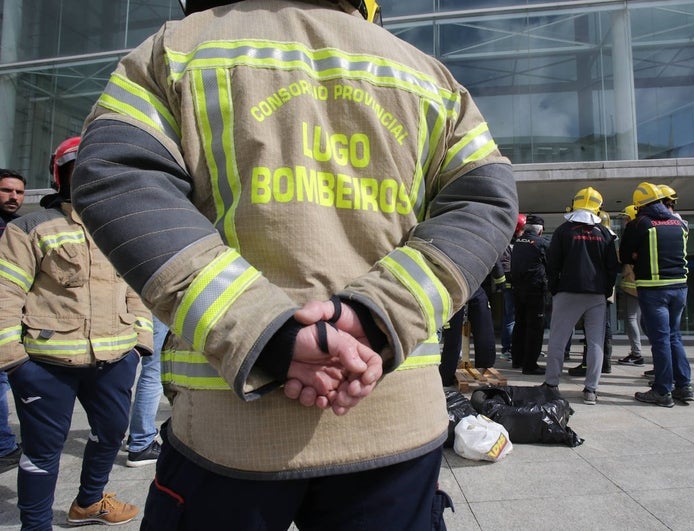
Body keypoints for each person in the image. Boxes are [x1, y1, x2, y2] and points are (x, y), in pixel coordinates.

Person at [70, 1, 518, 529]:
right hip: (392, 421)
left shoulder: (178, 48)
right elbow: (484, 202)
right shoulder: (427, 75)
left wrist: (268, 333)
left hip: (229, 433)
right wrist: (374, 317)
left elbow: (119, 178)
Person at [0, 137, 154, 528]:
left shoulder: (120, 227)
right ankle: (36, 525)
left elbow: (136, 288)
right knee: (42, 453)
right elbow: (5, 293)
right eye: (77, 170)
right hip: (46, 365)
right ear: (61, 176)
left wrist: (139, 344)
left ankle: (88, 502)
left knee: (110, 435)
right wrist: (15, 361)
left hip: (116, 361)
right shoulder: (28, 229)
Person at [542, 187, 618, 405]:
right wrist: (605, 289)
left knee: (558, 338)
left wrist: (555, 288)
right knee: (596, 342)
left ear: (574, 204)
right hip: (595, 294)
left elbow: (552, 263)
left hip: (567, 291)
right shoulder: (604, 233)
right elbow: (612, 267)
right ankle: (591, 390)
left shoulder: (564, 231)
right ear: (598, 207)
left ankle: (551, 384)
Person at [621, 182, 693, 407]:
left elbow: (624, 255)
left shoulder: (640, 224)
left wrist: (636, 255)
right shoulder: (679, 223)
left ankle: (662, 391)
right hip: (680, 287)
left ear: (640, 205)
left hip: (654, 289)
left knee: (660, 339)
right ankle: (684, 386)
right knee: (674, 336)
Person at [566, 209, 615, 377]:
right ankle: (604, 362)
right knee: (601, 327)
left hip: (596, 288)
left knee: (595, 331)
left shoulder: (600, 233)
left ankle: (592, 364)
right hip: (602, 287)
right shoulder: (606, 234)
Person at [0, 168, 26, 474]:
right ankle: (5, 446)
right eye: (7, 191)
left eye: (18, 192)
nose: (14, 197)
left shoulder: (17, 227)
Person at [439, 269, 503, 387]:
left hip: (453, 286)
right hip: (472, 285)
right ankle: (485, 365)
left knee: (453, 335)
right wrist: (501, 280)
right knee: (484, 329)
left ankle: (446, 375)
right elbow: (494, 258)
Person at [125, 316, 167, 467]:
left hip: (140, 308)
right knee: (154, 372)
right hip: (153, 306)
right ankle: (141, 442)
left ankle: (139, 434)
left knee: (151, 371)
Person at [510, 214, 549, 375]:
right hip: (535, 290)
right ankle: (530, 365)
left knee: (520, 324)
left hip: (518, 290)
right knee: (535, 328)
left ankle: (517, 360)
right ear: (540, 231)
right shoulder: (541, 243)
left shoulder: (518, 242)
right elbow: (551, 264)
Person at [616, 205, 645, 366]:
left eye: (626, 218)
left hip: (634, 284)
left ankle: (637, 353)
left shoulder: (634, 233)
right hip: (637, 284)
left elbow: (624, 256)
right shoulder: (642, 231)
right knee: (637, 319)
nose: (624, 221)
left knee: (632, 318)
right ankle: (637, 352)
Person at [498, 213, 526, 359]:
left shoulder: (521, 243)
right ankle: (507, 348)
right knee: (511, 318)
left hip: (520, 285)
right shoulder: (507, 244)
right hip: (511, 285)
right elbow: (505, 266)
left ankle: (519, 347)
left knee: (520, 318)